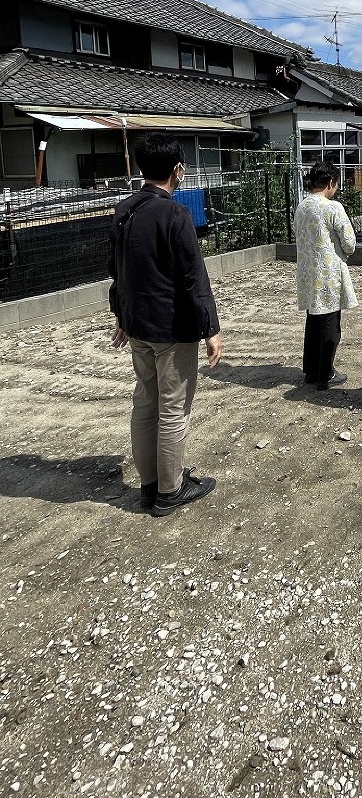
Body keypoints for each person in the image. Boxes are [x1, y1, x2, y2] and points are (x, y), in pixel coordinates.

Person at [108, 134, 222, 517]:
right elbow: (194, 277)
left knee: (145, 403)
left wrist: (122, 317)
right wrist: (211, 328)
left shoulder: (124, 210)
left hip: (137, 326)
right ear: (178, 170)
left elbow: (116, 271)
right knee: (173, 409)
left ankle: (149, 485)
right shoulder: (175, 215)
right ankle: (170, 490)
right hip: (171, 329)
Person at [294, 161, 357, 390]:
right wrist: (345, 251)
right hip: (329, 273)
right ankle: (325, 374)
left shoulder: (302, 207)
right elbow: (349, 242)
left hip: (308, 273)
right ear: (331, 182)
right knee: (330, 324)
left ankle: (310, 371)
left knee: (313, 321)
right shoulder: (333, 207)